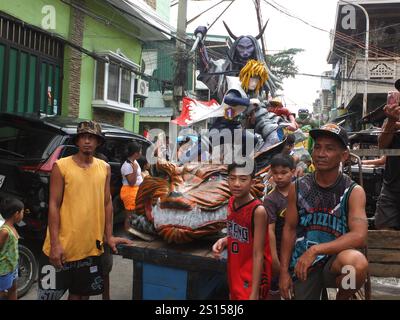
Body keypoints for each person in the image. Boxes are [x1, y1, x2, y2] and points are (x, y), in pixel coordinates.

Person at [38, 120, 132, 300]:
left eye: (92, 137)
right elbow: (54, 205)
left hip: (90, 248)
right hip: (62, 248)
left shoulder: (104, 168)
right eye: (83, 137)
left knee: (81, 295)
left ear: (98, 142)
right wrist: (56, 244)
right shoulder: (61, 166)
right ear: (77, 141)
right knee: (48, 296)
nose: (87, 141)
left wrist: (109, 235)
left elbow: (107, 203)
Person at [279, 123, 369, 300]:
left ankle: (342, 298)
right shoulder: (297, 187)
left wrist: (316, 250)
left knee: (356, 266)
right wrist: (283, 272)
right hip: (303, 264)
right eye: (318, 147)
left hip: (335, 263)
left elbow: (359, 236)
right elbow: (289, 229)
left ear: (343, 156)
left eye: (329, 148)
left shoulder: (353, 191)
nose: (321, 154)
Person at [212, 161, 272, 300]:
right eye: (232, 178)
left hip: (252, 274)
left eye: (243, 179)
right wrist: (224, 240)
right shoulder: (231, 202)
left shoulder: (258, 211)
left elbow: (258, 253)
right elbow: (240, 233)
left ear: (252, 181)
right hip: (235, 269)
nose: (237, 183)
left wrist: (254, 292)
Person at [264, 155, 295, 300]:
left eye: (283, 173)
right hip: (278, 249)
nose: (279, 177)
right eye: (275, 173)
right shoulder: (271, 199)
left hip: (298, 248)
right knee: (275, 287)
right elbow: (269, 230)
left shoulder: (300, 191)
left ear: (293, 172)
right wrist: (274, 259)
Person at [374, 102, 400, 230]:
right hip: (391, 188)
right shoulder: (393, 116)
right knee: (384, 235)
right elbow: (382, 147)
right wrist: (391, 121)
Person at [0, 198, 24, 300]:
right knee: (1, 292)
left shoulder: (12, 227)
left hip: (13, 266)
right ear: (16, 214)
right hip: (4, 269)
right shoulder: (5, 231)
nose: (24, 215)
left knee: (13, 289)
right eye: (23, 212)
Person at [120, 142, 143, 231]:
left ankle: (132, 232)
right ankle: (127, 233)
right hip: (129, 192)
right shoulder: (127, 166)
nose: (141, 153)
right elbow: (131, 183)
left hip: (135, 191)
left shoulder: (134, 162)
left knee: (133, 214)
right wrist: (135, 170)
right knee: (129, 215)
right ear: (136, 153)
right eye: (140, 151)